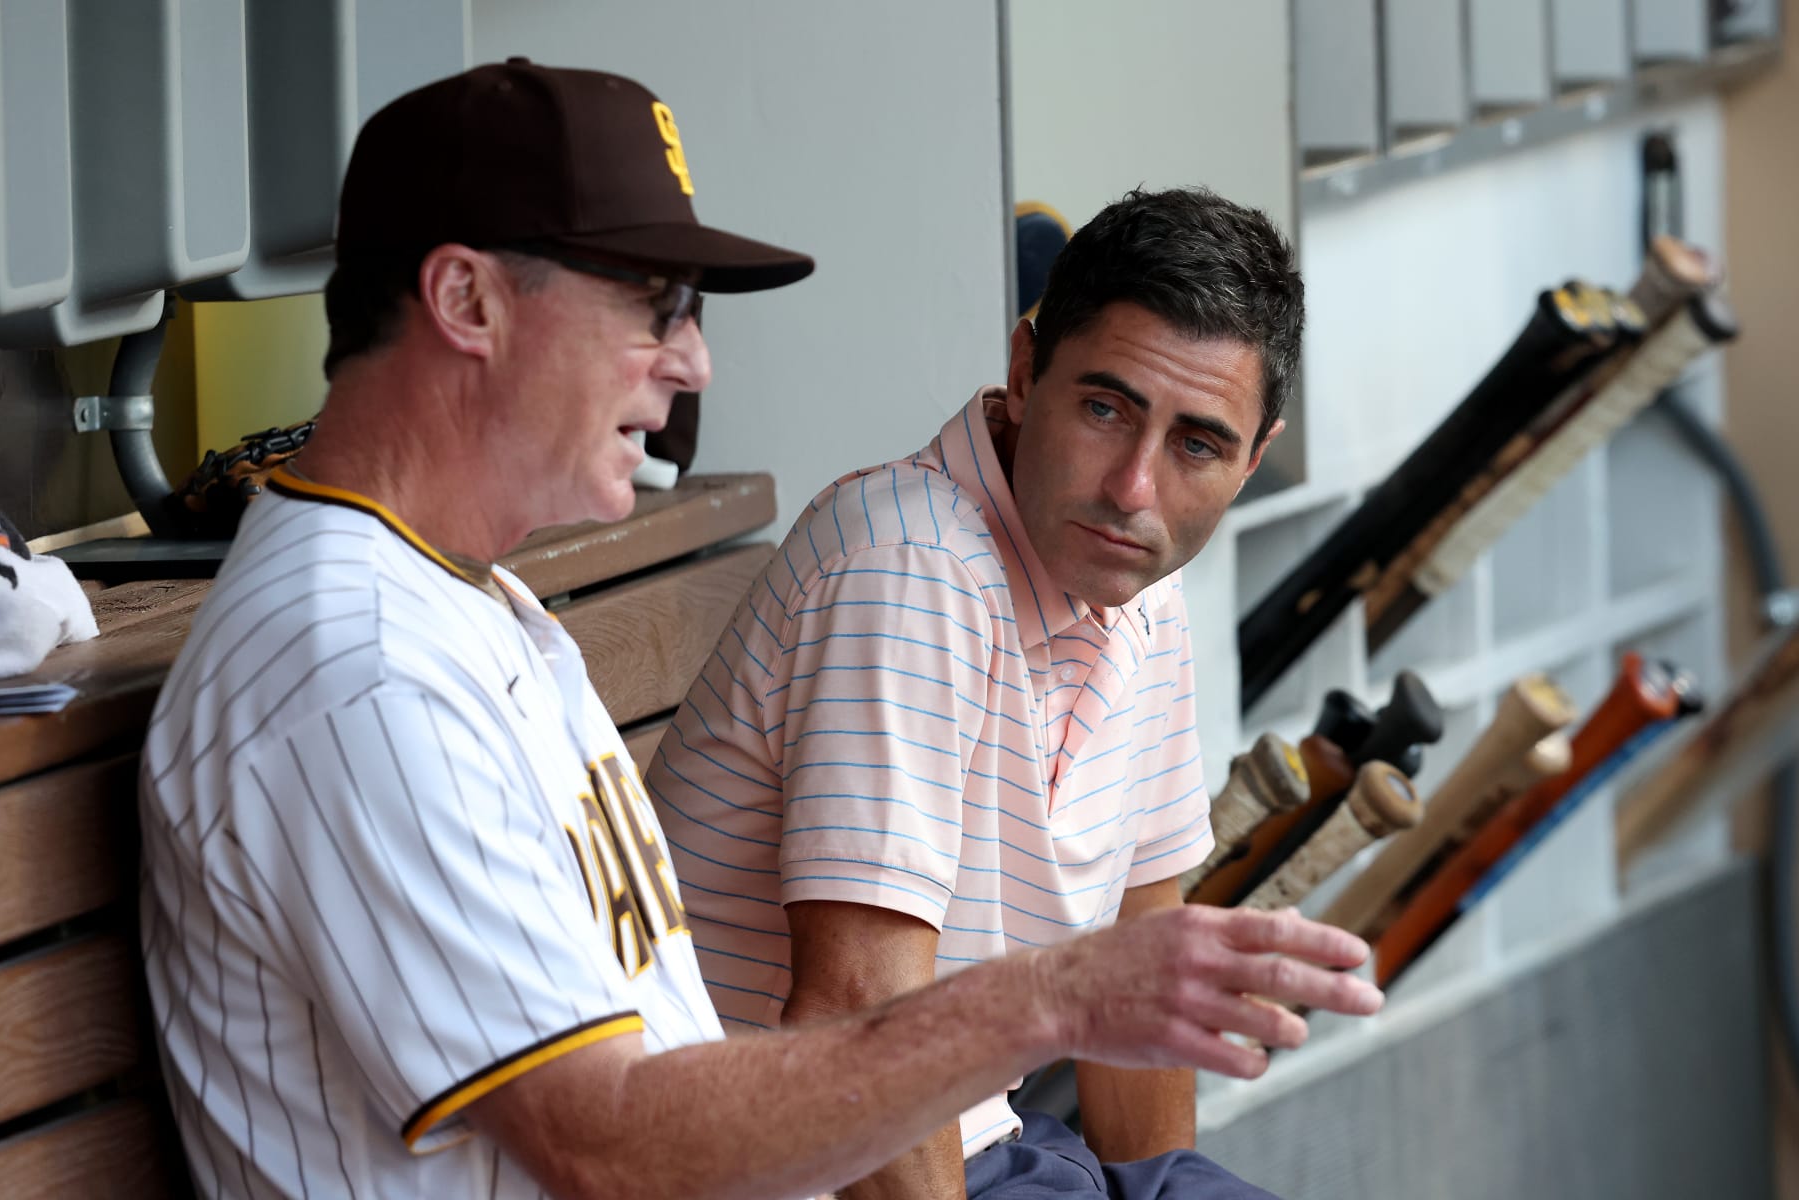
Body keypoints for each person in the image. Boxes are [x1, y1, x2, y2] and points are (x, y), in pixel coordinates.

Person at [139, 60, 1378, 1200]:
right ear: (468, 299)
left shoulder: (470, 611)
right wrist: (1046, 1000)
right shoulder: (360, 673)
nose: (693, 364)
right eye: (654, 305)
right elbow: (604, 1144)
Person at [645, 185, 1305, 1198]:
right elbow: (851, 1029)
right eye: (1103, 407)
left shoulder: (1136, 585)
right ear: (1024, 369)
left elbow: (1139, 962)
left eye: (1196, 445)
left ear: (1252, 459)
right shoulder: (911, 570)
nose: (1134, 488)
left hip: (988, 1146)